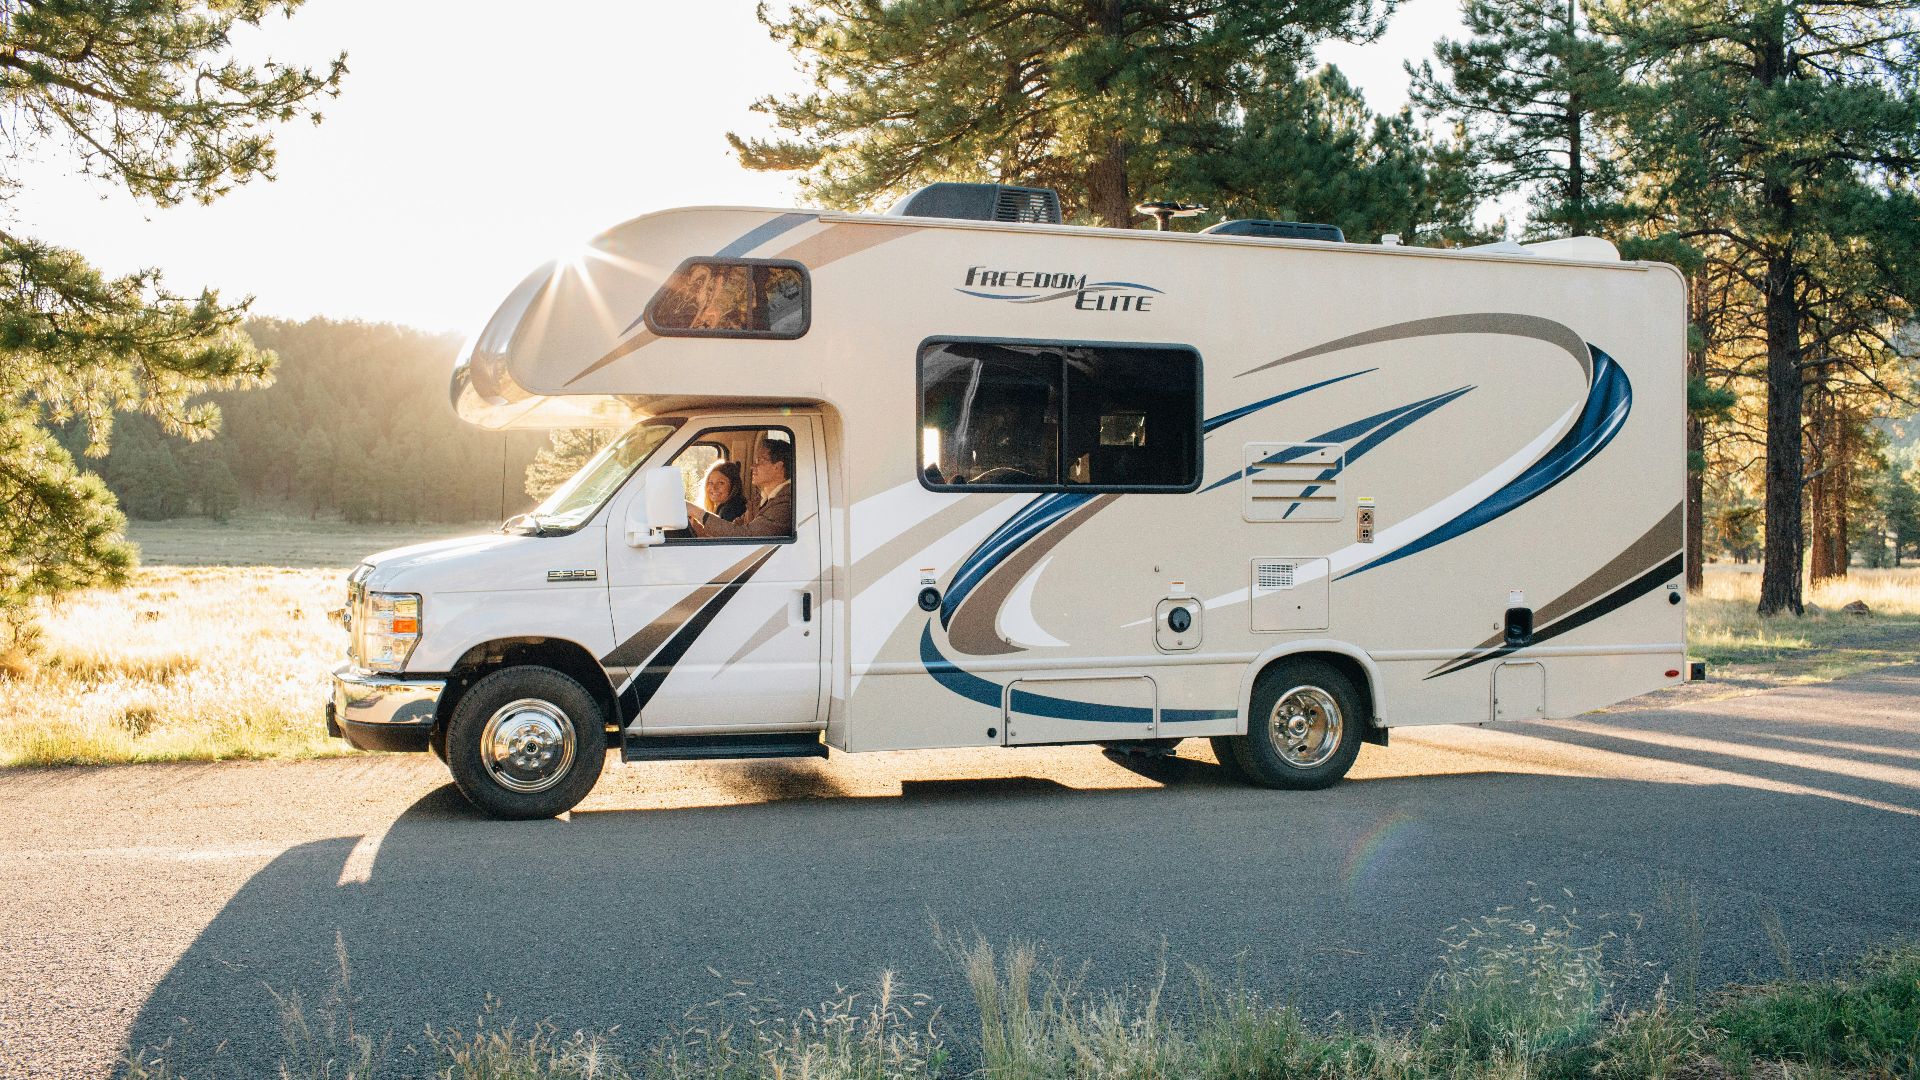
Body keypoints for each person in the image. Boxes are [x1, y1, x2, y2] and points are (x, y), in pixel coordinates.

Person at [690, 438, 794, 538]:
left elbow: (745, 535)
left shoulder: (787, 503)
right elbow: (735, 527)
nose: (752, 466)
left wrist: (696, 512)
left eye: (759, 461)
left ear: (778, 467)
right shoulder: (760, 499)